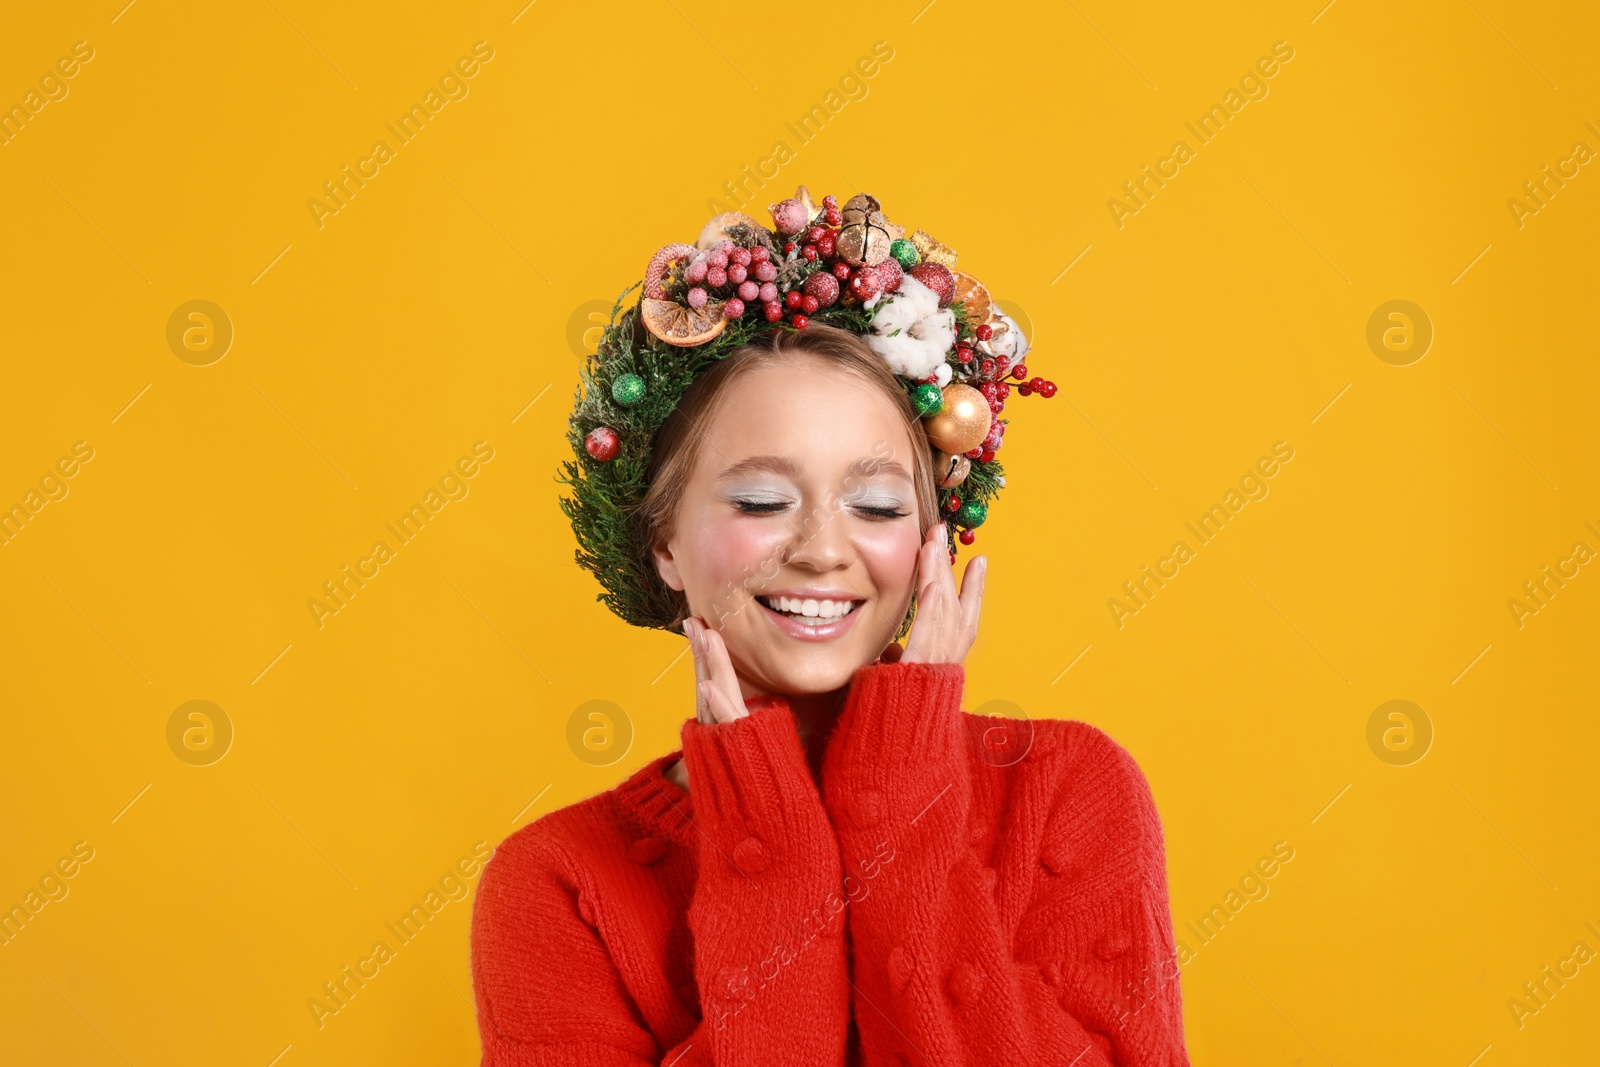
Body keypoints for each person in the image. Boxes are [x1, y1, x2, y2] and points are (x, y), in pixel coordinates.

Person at [470, 190, 1189, 1065]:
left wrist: (900, 785)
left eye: (877, 503)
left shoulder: (1070, 795)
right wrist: (766, 844)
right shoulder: (561, 884)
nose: (820, 550)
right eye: (763, 500)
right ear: (661, 542)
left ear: (931, 535)